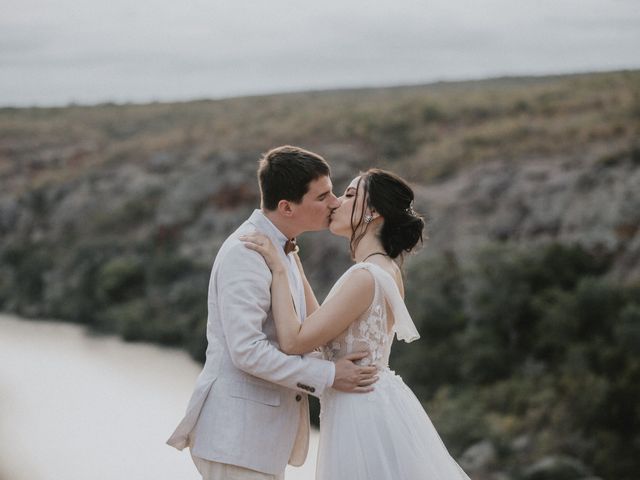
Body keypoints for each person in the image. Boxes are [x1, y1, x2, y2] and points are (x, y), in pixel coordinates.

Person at [241, 168, 471, 480]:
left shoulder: (364, 277)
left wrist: (279, 271)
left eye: (349, 194)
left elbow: (295, 341)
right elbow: (324, 323)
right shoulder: (384, 269)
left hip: (360, 413)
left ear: (373, 212)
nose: (336, 202)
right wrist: (292, 257)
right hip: (374, 403)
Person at [167, 146, 378, 480]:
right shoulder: (247, 253)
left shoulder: (283, 249)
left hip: (256, 442)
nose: (335, 202)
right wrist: (328, 375)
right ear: (287, 207)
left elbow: (308, 326)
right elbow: (246, 351)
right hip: (236, 439)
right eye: (322, 197)